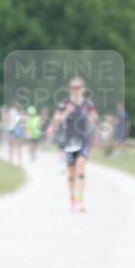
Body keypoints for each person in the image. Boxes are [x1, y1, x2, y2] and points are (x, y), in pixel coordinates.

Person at [56, 77, 98, 212]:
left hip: (83, 140)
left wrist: (91, 118)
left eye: (78, 87)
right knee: (72, 173)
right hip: (69, 142)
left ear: (83, 89)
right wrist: (66, 111)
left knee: (80, 168)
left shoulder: (88, 104)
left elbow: (94, 117)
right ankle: (72, 199)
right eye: (73, 87)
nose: (76, 90)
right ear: (70, 89)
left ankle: (80, 201)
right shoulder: (64, 103)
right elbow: (57, 119)